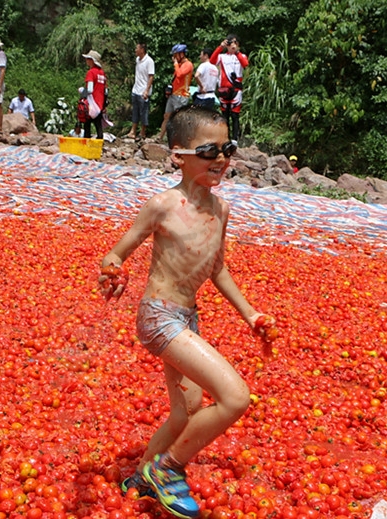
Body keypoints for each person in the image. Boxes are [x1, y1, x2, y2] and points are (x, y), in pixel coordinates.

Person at [101, 106, 278, 519]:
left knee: (188, 411)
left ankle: (144, 476)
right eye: (210, 150)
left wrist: (250, 315)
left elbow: (217, 268)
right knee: (235, 397)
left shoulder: (222, 211)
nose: (221, 158)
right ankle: (169, 470)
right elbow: (117, 252)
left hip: (187, 316)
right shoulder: (163, 205)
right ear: (179, 154)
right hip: (158, 315)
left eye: (227, 148)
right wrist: (111, 272)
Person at [210, 35, 249, 142]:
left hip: (236, 90)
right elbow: (212, 61)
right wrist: (220, 47)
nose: (233, 45)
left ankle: (235, 139)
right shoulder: (222, 56)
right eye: (231, 43)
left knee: (235, 115)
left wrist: (236, 52)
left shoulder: (242, 56)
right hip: (224, 90)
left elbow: (245, 64)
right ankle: (225, 138)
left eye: (235, 43)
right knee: (224, 116)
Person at [157, 44, 192, 140]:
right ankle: (160, 137)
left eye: (176, 55)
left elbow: (180, 74)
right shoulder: (179, 65)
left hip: (182, 96)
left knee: (178, 119)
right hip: (174, 94)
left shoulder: (188, 64)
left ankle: (180, 140)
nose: (174, 57)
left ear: (182, 54)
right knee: (166, 116)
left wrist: (176, 64)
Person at [128, 43, 154, 141]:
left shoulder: (149, 61)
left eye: (137, 48)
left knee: (144, 112)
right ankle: (133, 131)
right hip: (136, 89)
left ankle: (143, 132)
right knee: (135, 111)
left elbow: (151, 76)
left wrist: (147, 90)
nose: (135, 50)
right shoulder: (137, 60)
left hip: (143, 90)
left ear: (142, 50)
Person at [81, 50, 107, 140]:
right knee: (98, 126)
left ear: (92, 60)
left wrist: (82, 91)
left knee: (87, 124)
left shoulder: (91, 73)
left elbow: (90, 89)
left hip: (91, 104)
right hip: (100, 104)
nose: (86, 60)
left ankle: (86, 146)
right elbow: (105, 90)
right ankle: (100, 145)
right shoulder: (102, 73)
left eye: (88, 59)